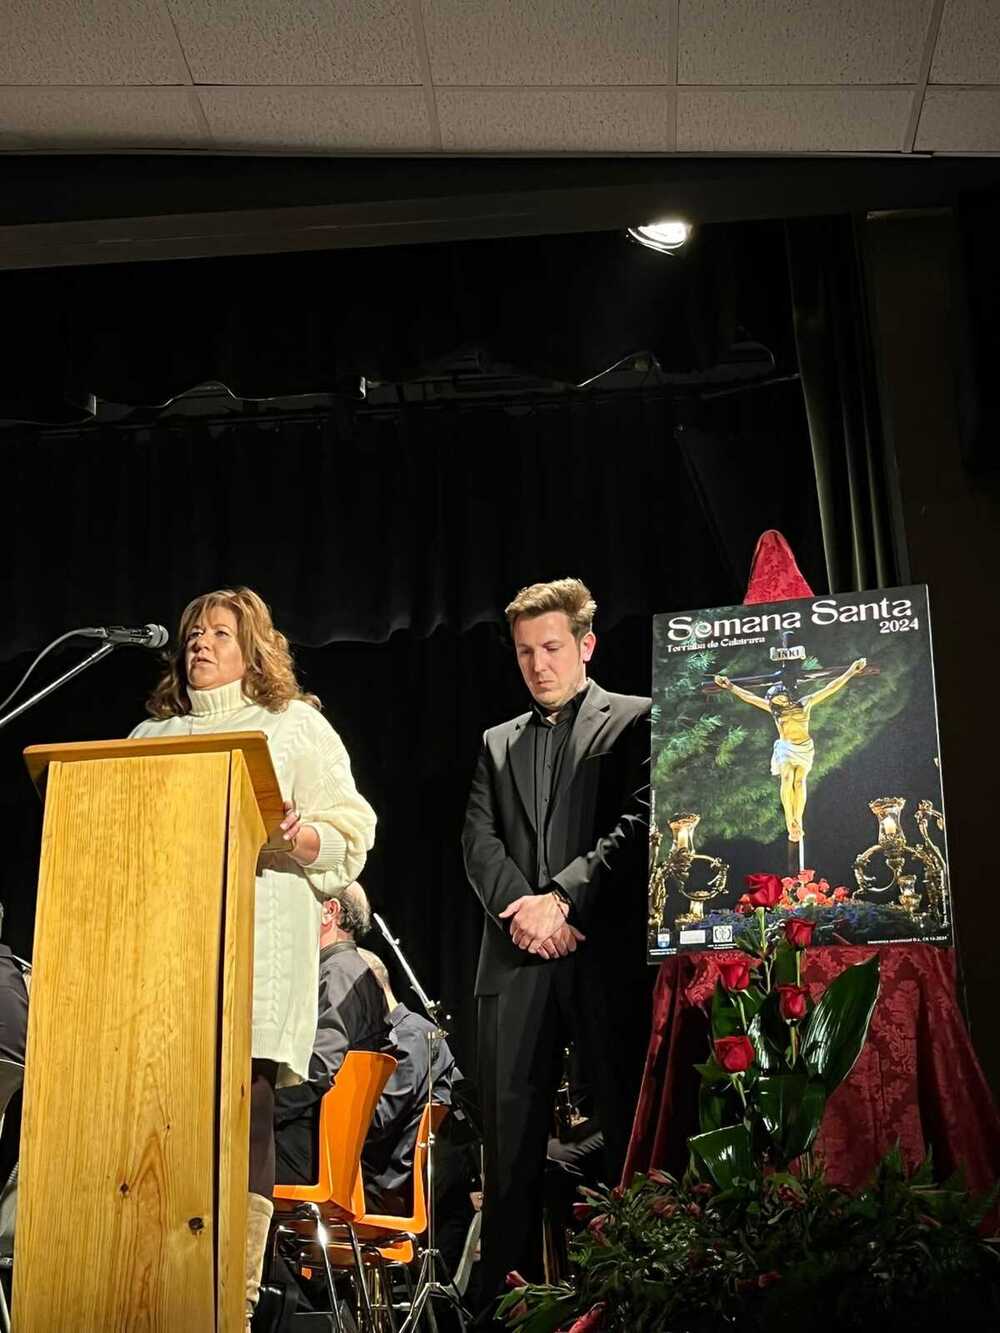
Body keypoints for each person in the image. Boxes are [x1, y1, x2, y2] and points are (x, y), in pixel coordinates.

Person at [130, 586, 376, 1329]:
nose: (200, 644)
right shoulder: (145, 738)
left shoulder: (292, 725)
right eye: (193, 633)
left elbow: (352, 827)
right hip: (158, 957)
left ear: (255, 648)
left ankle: (230, 1300)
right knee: (156, 1119)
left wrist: (300, 838)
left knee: (245, 1114)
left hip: (255, 953)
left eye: (219, 633)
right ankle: (148, 1283)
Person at [461, 577, 651, 1320]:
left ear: (586, 645)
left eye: (551, 648)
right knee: (508, 1154)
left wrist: (567, 899)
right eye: (524, 652)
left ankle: (638, 1292)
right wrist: (525, 911)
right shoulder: (495, 742)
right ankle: (502, 1310)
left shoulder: (633, 719)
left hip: (600, 955)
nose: (538, 665)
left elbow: (639, 822)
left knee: (627, 1124)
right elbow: (477, 841)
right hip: (516, 962)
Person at [274, 883, 391, 1186]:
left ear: (329, 911)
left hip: (307, 1150)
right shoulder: (348, 970)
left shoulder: (339, 973)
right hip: (317, 1145)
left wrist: (254, 1108)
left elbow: (317, 1069)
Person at [714, 657, 866, 842]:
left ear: (787, 696)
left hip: (804, 748)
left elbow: (830, 688)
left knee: (800, 782)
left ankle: (798, 820)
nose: (781, 705)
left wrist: (851, 671)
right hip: (785, 748)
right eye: (777, 703)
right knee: (787, 778)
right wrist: (730, 686)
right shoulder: (775, 711)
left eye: (782, 700)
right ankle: (790, 823)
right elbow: (750, 698)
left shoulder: (804, 704)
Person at [357, 948, 458, 1215]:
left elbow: (377, 1121)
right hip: (378, 1181)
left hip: (380, 1188)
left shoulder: (410, 1036)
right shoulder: (403, 1034)